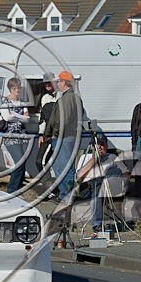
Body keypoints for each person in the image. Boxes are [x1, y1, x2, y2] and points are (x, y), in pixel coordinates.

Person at [76, 135, 126, 234]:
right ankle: (97, 224)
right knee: (98, 188)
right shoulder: (85, 157)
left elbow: (125, 174)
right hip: (89, 187)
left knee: (114, 171)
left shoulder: (112, 157)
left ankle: (98, 224)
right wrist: (94, 159)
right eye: (96, 145)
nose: (99, 147)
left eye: (102, 144)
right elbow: (78, 177)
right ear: (92, 147)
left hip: (110, 186)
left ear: (106, 146)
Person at [46, 70, 83, 200]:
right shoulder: (72, 97)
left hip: (64, 137)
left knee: (64, 169)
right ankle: (65, 195)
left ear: (64, 82)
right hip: (66, 137)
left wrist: (56, 132)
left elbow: (64, 120)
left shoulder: (68, 98)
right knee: (60, 167)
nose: (57, 84)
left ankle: (67, 197)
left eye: (59, 81)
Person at [0, 77, 30, 193]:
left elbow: (27, 119)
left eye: (19, 88)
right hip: (10, 136)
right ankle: (12, 189)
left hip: (22, 135)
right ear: (10, 89)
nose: (17, 90)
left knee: (23, 162)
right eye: (15, 88)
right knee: (19, 161)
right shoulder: (4, 101)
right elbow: (7, 117)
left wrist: (15, 114)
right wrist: (20, 116)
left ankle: (18, 188)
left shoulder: (22, 102)